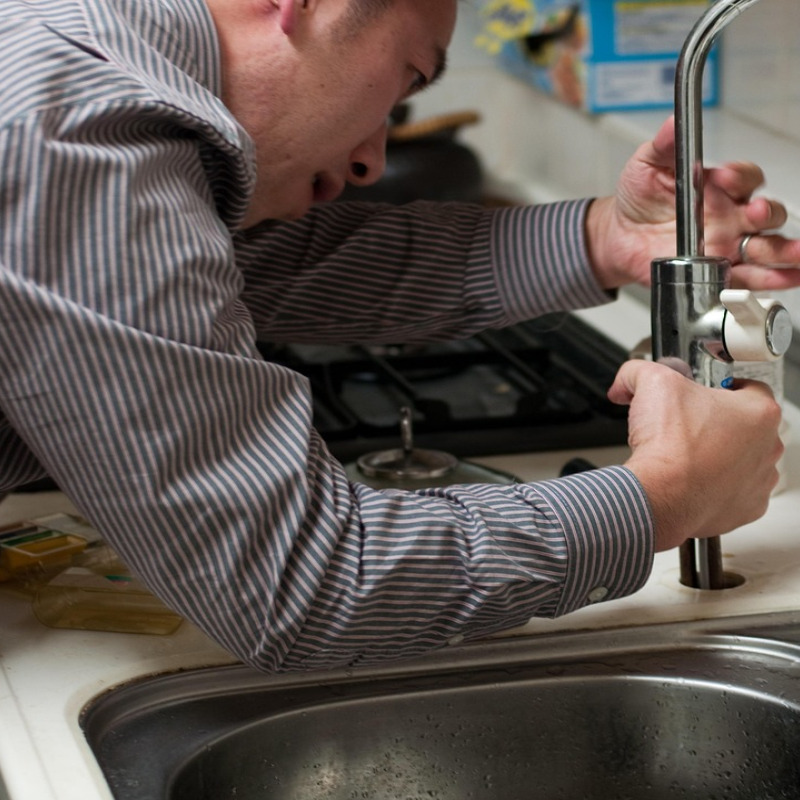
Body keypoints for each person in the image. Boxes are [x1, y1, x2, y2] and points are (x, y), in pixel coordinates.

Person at [0, 0, 798, 673]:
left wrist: (607, 238)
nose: (373, 163)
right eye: (408, 79)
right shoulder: (82, 136)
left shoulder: (78, 54)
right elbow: (302, 586)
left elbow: (281, 267)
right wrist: (664, 496)